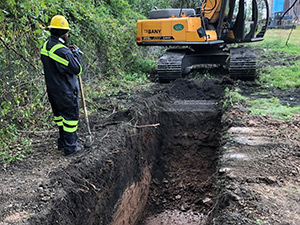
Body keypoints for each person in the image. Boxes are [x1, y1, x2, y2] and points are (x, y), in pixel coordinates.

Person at [41, 15, 84, 156]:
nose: (67, 34)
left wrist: (69, 53)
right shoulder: (62, 51)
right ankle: (71, 148)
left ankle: (62, 143)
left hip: (53, 90)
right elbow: (77, 69)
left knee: (60, 119)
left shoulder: (46, 46)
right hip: (66, 91)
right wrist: (75, 54)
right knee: (70, 120)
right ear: (62, 33)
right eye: (66, 32)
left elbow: (57, 63)